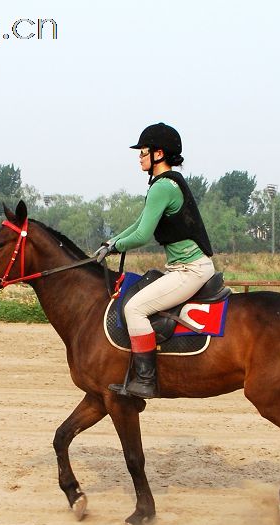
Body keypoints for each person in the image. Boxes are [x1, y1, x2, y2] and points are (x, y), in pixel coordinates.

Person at [95, 122, 215, 399]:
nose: (139, 157)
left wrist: (115, 247)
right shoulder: (165, 184)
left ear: (158, 154)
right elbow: (137, 224)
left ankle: (146, 381)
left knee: (134, 309)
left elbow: (142, 235)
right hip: (184, 268)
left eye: (143, 152)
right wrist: (109, 243)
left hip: (190, 270)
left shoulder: (163, 187)